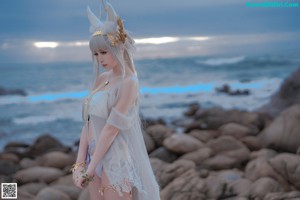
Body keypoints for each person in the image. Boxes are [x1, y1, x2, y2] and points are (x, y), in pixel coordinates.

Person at [70, 1, 161, 200]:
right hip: (94, 156)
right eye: (96, 54)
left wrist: (90, 168)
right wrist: (80, 164)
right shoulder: (102, 79)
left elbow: (111, 129)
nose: (100, 59)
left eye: (104, 52)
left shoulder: (129, 82)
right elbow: (87, 122)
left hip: (116, 159)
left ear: (119, 48)